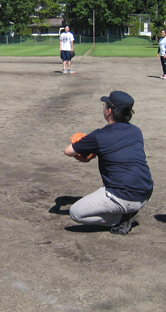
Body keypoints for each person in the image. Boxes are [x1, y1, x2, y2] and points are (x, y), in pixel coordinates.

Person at [64, 91, 153, 235]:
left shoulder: (99, 135)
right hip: (145, 192)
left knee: (76, 213)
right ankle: (125, 210)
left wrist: (84, 144)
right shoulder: (136, 131)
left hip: (124, 196)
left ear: (109, 111)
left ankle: (121, 218)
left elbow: (68, 151)